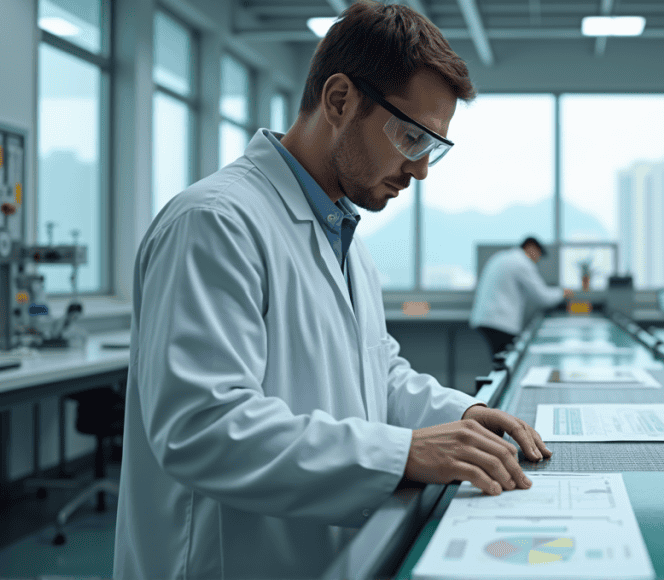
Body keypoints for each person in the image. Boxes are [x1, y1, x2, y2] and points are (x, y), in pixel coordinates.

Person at [113, 3, 551, 578]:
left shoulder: (341, 232)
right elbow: (202, 429)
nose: (419, 170)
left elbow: (378, 372)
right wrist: (404, 453)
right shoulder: (215, 221)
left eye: (433, 149)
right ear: (341, 100)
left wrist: (465, 414)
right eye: (411, 137)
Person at [470, 237, 574, 359]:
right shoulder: (522, 262)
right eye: (538, 255)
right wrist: (562, 293)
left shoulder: (504, 257)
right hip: (499, 321)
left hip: (488, 318)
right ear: (531, 248)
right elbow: (543, 297)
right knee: (506, 361)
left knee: (503, 361)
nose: (537, 260)